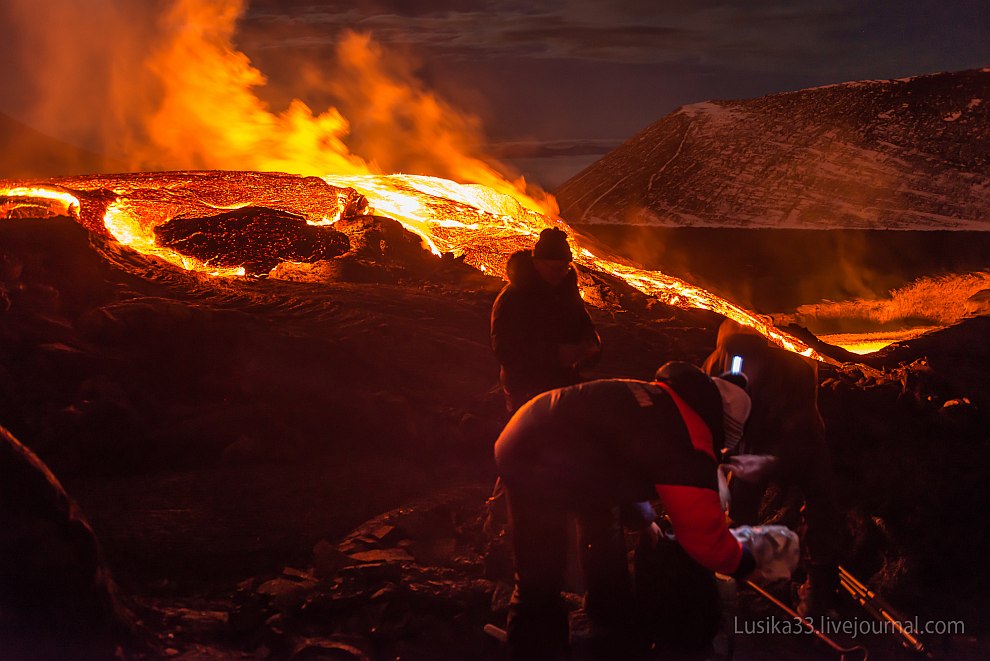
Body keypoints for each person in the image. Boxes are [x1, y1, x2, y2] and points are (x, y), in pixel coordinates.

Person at [494, 362, 759, 660]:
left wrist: (645, 521)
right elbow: (704, 539)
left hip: (538, 432)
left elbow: (622, 458)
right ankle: (534, 649)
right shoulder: (690, 439)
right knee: (540, 577)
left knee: (601, 527)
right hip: (541, 458)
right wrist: (744, 562)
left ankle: (606, 619)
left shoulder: (664, 401)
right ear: (723, 427)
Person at [701, 319, 841, 617]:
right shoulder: (744, 345)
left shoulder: (736, 345)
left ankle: (815, 588)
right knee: (819, 504)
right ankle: (817, 588)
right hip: (785, 434)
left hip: (785, 434)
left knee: (749, 506)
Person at [490, 227, 601, 412]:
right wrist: (556, 354)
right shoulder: (513, 299)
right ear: (537, 263)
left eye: (565, 268)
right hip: (525, 387)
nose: (561, 273)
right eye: (555, 268)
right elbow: (506, 350)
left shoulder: (565, 289)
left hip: (562, 380)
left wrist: (591, 343)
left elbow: (583, 322)